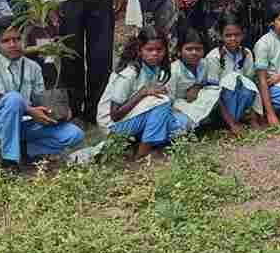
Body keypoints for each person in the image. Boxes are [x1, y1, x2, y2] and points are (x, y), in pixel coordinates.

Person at [0, 25, 84, 170]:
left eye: (17, 39)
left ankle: (20, 150)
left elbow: (39, 100)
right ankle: (9, 161)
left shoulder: (33, 66)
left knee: (74, 134)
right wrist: (31, 111)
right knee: (14, 98)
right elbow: (0, 101)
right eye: (6, 41)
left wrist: (59, 112)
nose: (13, 44)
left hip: (26, 122)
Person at [98, 26, 189, 158]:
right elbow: (115, 115)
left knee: (180, 122)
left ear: (165, 50)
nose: (155, 54)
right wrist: (142, 93)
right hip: (113, 126)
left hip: (132, 118)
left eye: (159, 50)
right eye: (149, 50)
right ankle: (142, 152)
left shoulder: (155, 68)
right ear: (140, 50)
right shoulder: (129, 73)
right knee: (161, 101)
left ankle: (143, 143)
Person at [202, 15, 261, 136]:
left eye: (237, 34)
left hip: (240, 99)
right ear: (220, 36)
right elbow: (213, 93)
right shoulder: (213, 57)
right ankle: (230, 122)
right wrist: (231, 124)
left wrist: (254, 118)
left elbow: (251, 85)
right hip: (221, 104)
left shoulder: (247, 53)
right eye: (228, 35)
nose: (233, 38)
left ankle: (247, 118)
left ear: (243, 34)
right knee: (229, 83)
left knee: (246, 86)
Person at [167, 29, 223, 132]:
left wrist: (198, 86)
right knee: (180, 123)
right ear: (179, 51)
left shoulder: (206, 64)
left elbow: (211, 87)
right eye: (189, 49)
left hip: (200, 103)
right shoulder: (173, 70)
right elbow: (169, 100)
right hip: (179, 106)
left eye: (198, 49)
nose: (194, 53)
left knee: (215, 93)